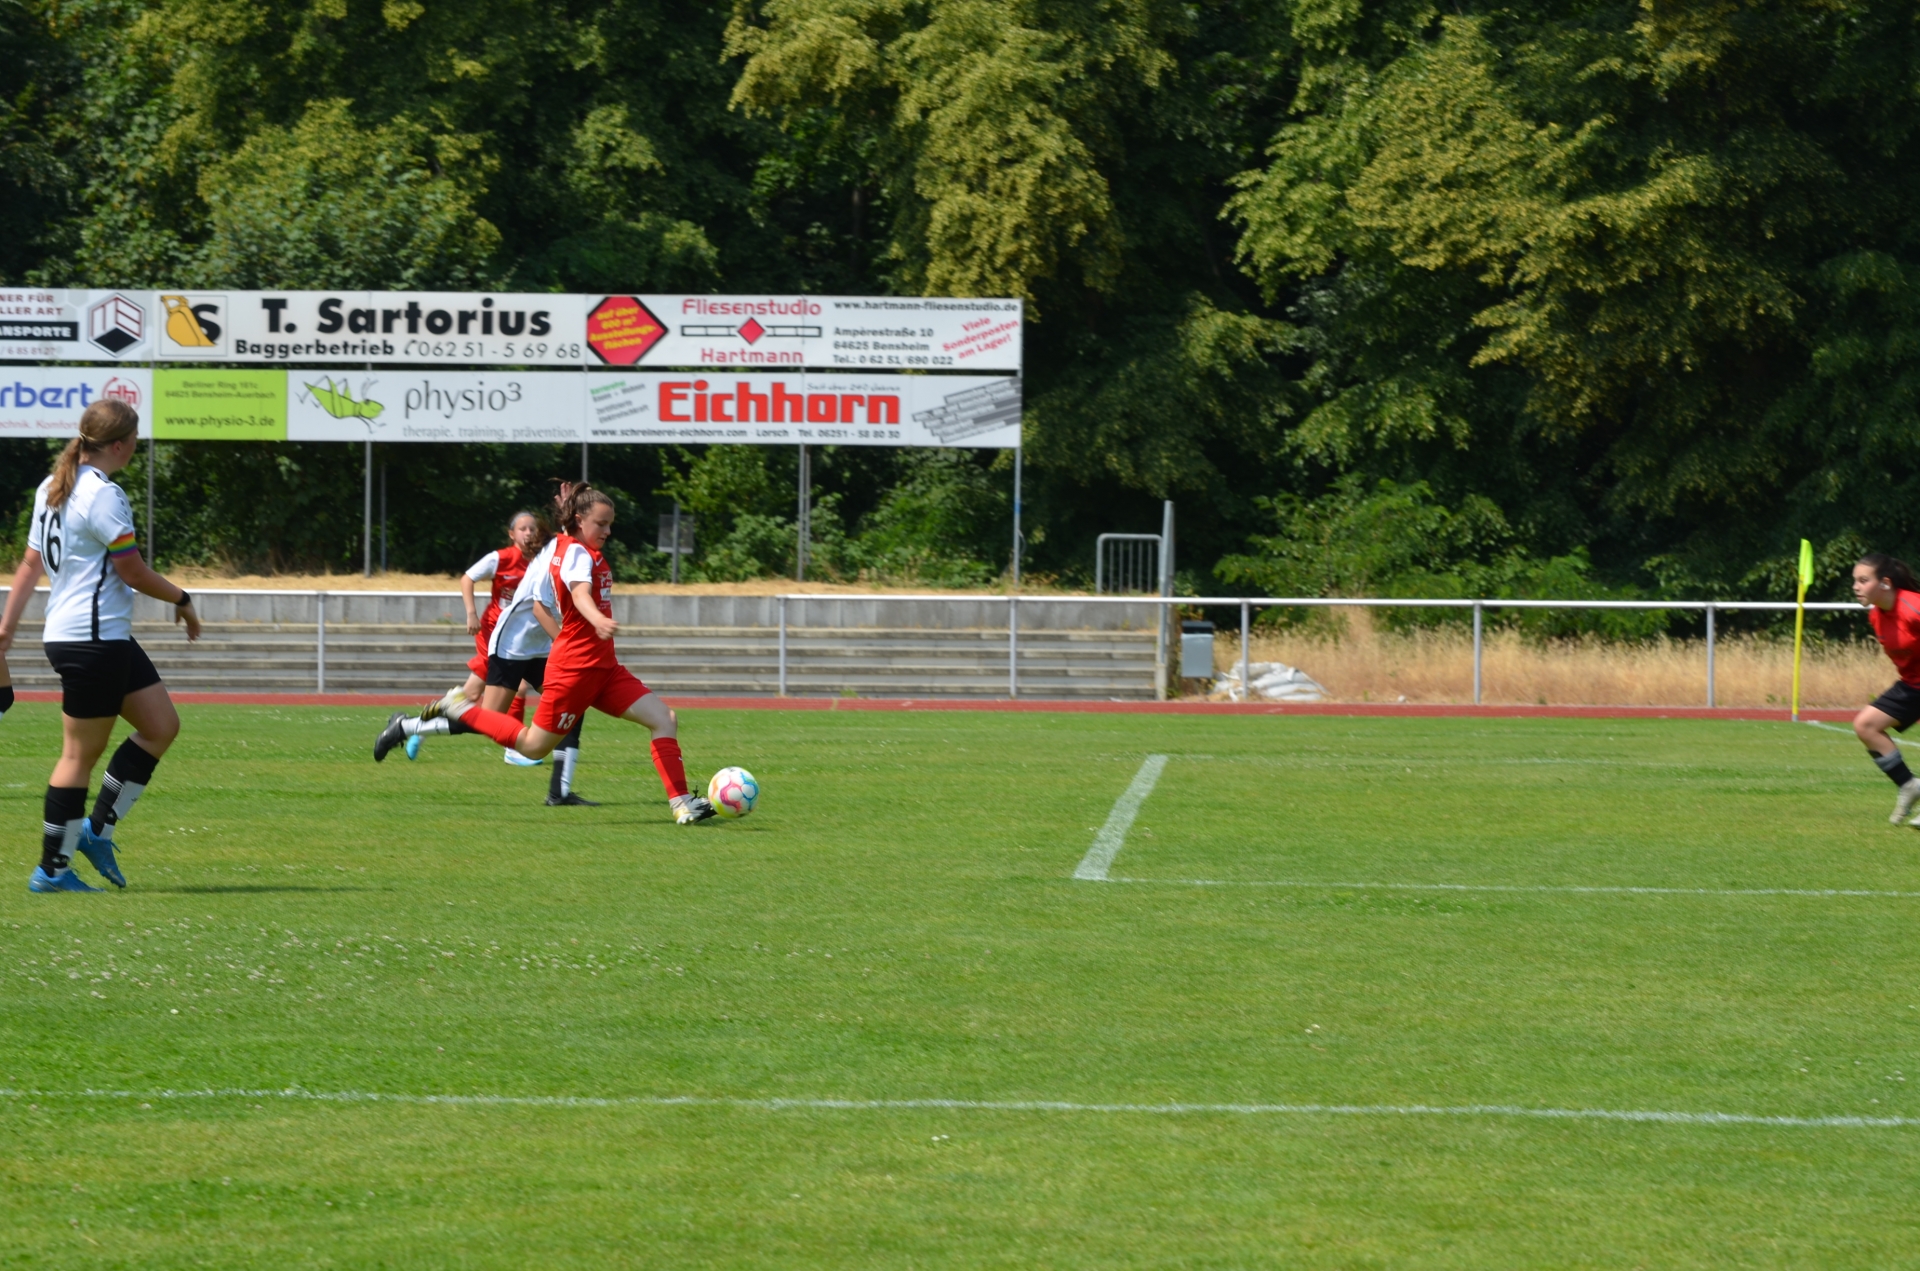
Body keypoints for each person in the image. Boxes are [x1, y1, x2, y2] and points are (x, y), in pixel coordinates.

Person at [373, 482, 713, 823]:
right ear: (580, 521)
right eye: (601, 523)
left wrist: (568, 512)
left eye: (610, 524)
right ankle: (458, 707)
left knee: (664, 719)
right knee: (532, 745)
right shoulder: (577, 553)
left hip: (604, 668)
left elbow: (560, 568)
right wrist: (596, 619)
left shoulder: (566, 544)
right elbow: (579, 594)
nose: (608, 531)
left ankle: (682, 803)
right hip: (571, 669)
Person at [0, 399, 201, 892]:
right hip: (91, 642)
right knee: (77, 757)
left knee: (161, 726)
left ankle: (96, 832)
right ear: (120, 444)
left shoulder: (53, 485)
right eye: (134, 439)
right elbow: (132, 571)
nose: (135, 446)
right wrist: (183, 599)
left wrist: (5, 631)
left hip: (96, 636)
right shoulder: (103, 494)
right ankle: (52, 870)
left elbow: (29, 564)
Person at [380, 501, 597, 805]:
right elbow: (534, 605)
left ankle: (559, 791)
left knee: (572, 703)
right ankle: (408, 726)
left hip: (538, 647)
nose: (529, 533)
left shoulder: (569, 551)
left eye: (533, 528)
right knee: (489, 718)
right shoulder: (541, 554)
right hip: (511, 645)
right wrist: (566, 643)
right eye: (599, 524)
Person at [411, 513, 547, 766]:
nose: (528, 533)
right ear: (511, 534)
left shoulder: (541, 559)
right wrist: (471, 613)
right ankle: (512, 749)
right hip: (495, 633)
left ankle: (419, 726)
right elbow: (467, 578)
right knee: (517, 687)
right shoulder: (500, 558)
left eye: (533, 529)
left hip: (521, 638)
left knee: (471, 695)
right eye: (523, 529)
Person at [1852, 552, 1920, 824]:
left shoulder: (1914, 607)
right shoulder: (1876, 616)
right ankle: (1909, 785)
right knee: (1866, 725)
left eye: (1863, 580)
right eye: (1855, 581)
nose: (1856, 587)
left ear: (1885, 583)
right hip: (1913, 685)